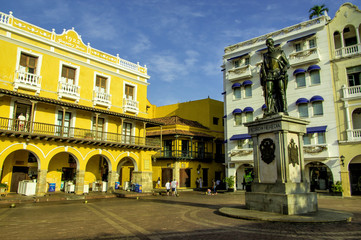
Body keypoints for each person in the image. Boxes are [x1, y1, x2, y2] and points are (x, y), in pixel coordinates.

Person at [260, 38, 290, 115]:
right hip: (269, 75)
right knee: (268, 92)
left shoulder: (280, 52)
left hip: (279, 74)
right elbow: (264, 67)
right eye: (267, 44)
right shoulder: (265, 55)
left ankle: (284, 109)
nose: (268, 45)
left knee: (281, 91)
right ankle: (269, 109)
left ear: (273, 43)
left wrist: (284, 69)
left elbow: (287, 64)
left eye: (270, 43)